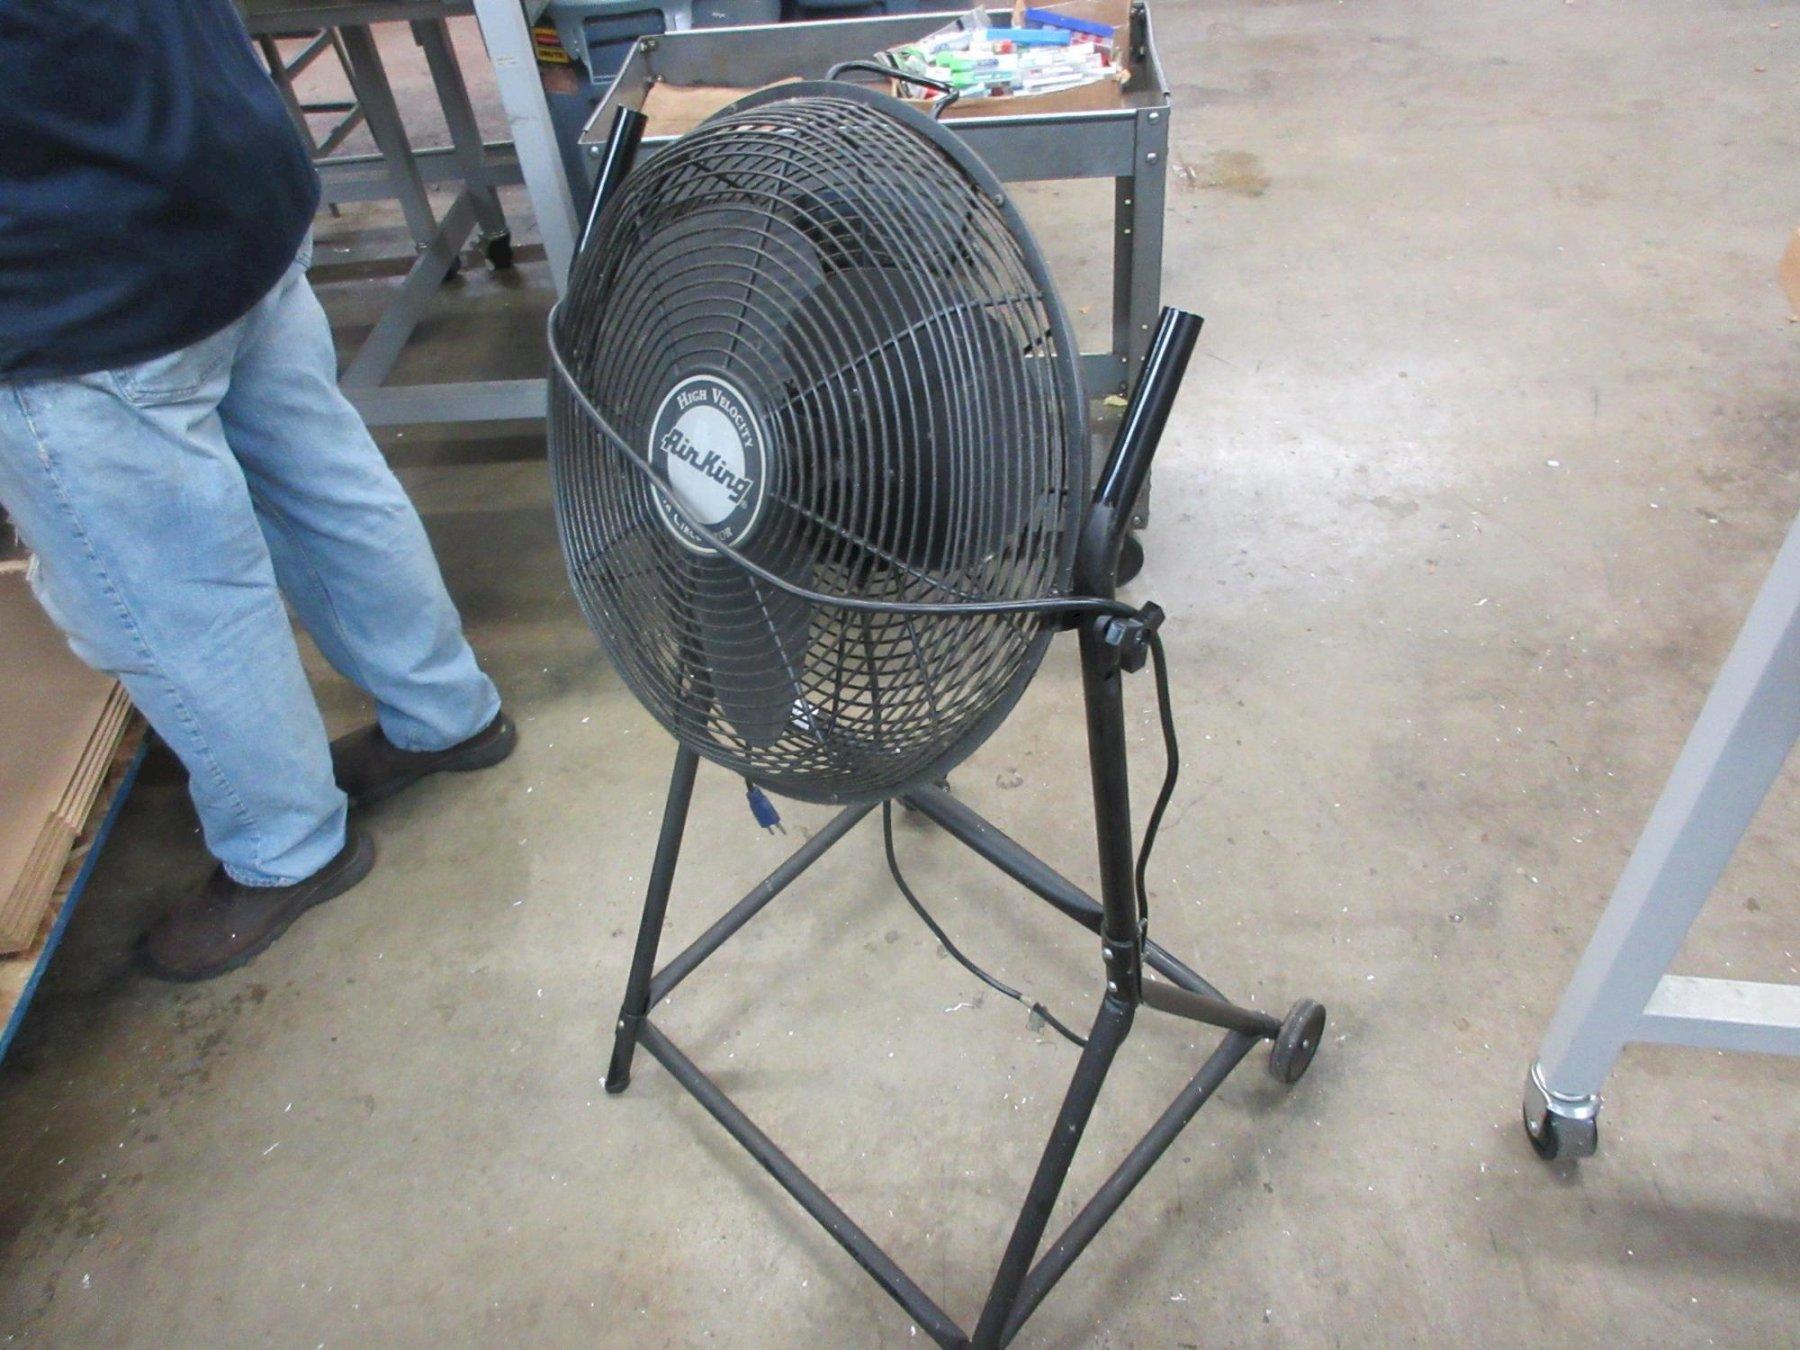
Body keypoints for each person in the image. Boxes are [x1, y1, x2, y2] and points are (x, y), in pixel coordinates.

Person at [0, 0, 515, 981]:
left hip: (67, 270)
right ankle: (447, 714)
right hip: (221, 169)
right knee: (322, 483)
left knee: (179, 603)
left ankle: (287, 846)